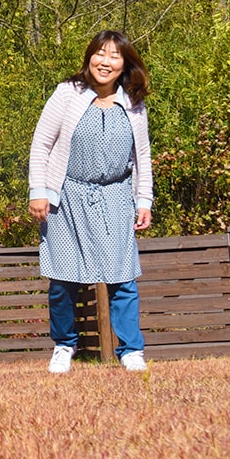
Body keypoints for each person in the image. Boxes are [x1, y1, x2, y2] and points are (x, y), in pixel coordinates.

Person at [28, 30, 153, 373]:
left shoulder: (134, 101)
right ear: (89, 58)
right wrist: (38, 190)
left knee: (122, 277)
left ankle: (130, 350)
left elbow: (142, 154)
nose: (105, 61)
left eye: (114, 55)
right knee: (62, 278)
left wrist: (144, 200)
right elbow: (41, 144)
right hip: (66, 196)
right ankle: (64, 345)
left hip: (116, 196)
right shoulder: (68, 93)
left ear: (125, 63)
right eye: (100, 53)